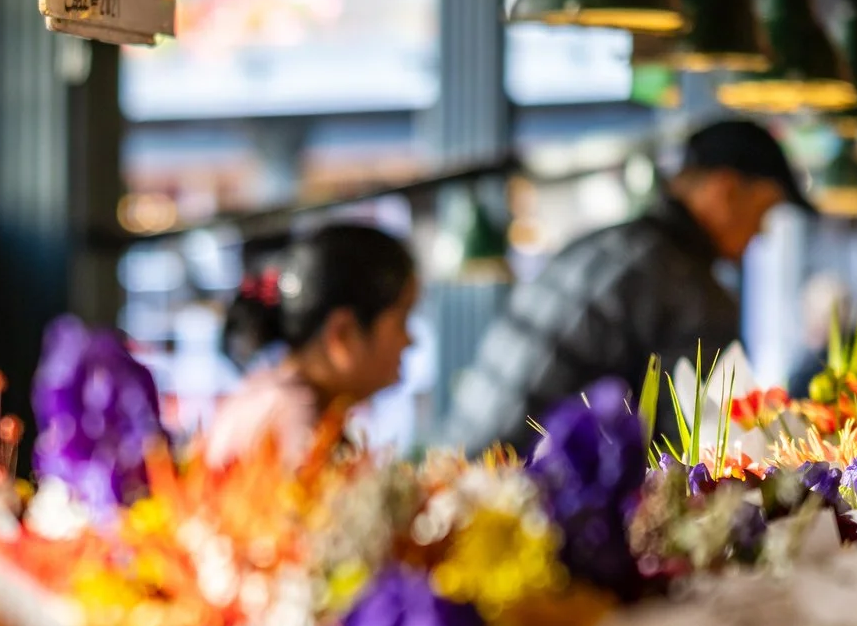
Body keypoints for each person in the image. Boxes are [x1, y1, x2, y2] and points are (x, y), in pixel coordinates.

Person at [442, 117, 810, 453]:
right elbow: (695, 454)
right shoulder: (690, 289)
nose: (761, 232)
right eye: (764, 211)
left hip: (465, 470)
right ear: (725, 190)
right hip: (533, 491)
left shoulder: (604, 244)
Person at [202, 222, 420, 467]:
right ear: (343, 334)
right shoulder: (296, 424)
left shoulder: (273, 400)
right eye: (402, 321)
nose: (411, 341)